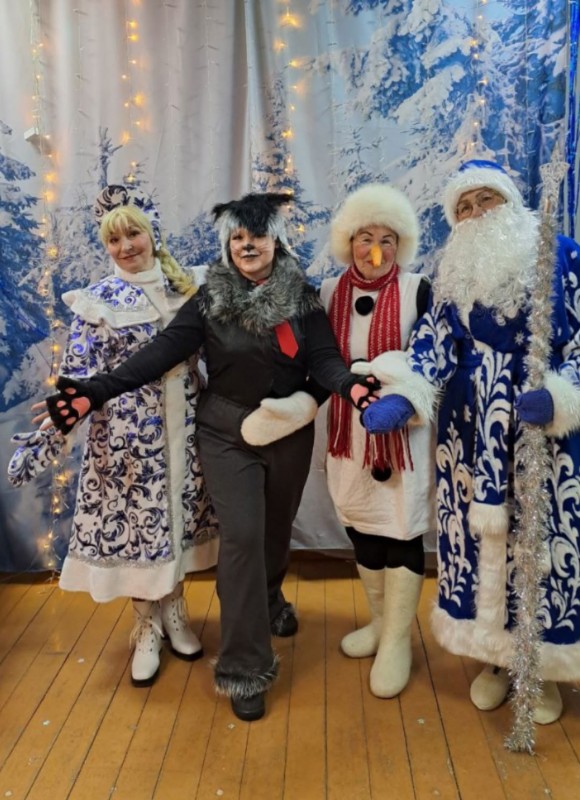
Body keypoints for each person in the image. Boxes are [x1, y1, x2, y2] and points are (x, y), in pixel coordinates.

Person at [42, 191, 379, 722]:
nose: (248, 245)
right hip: (226, 434)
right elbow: (158, 354)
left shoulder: (303, 297)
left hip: (288, 431)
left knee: (274, 531)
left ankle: (270, 599)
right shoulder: (207, 300)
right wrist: (94, 392)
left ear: (275, 241)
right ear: (228, 244)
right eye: (238, 237)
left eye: (257, 235)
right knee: (242, 538)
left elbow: (324, 359)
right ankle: (245, 666)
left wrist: (351, 388)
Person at [356, 160, 580, 723]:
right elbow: (432, 345)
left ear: (510, 201)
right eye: (464, 206)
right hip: (468, 440)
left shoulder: (562, 256)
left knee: (539, 546)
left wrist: (559, 397)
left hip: (541, 436)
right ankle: (493, 658)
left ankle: (541, 670)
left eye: (486, 199)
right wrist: (406, 397)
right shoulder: (452, 271)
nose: (476, 213)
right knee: (476, 546)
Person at [10, 185, 219, 687]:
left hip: (188, 429)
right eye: (113, 239)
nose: (125, 246)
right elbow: (78, 382)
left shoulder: (188, 287)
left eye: (133, 234)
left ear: (152, 234)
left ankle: (174, 610)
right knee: (141, 528)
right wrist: (52, 432)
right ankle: (145, 623)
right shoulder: (98, 303)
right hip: (128, 439)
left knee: (177, 523)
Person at [320, 183, 435, 698]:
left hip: (402, 435)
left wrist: (390, 381)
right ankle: (379, 621)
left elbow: (432, 359)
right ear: (348, 240)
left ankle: (397, 640)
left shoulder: (418, 289)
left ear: (400, 245)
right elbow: (318, 360)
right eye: (366, 237)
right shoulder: (327, 293)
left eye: (387, 239)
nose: (376, 249)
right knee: (361, 525)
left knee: (401, 529)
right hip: (349, 433)